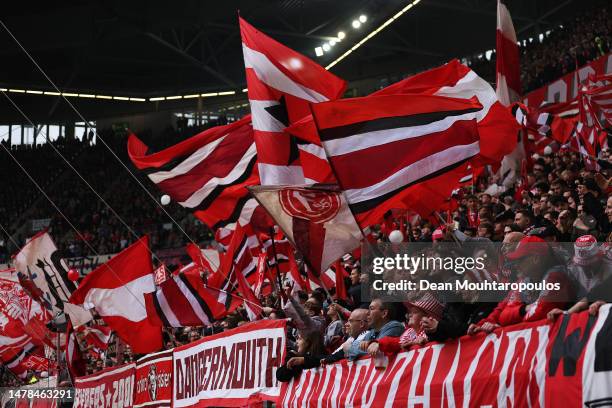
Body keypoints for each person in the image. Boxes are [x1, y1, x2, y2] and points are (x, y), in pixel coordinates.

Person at [365, 293, 442, 355]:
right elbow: (398, 342)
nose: (409, 315)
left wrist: (422, 342)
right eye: (409, 312)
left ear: (429, 318)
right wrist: (379, 343)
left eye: (415, 312)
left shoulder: (433, 334)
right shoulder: (410, 331)